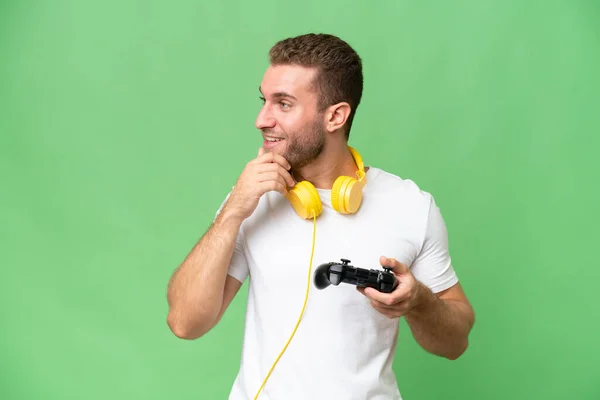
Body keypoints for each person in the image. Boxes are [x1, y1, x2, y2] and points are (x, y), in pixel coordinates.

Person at [166, 33, 475, 400]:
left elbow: (455, 342)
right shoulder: (252, 197)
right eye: (264, 100)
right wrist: (233, 211)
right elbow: (185, 322)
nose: (261, 119)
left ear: (335, 116)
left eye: (283, 104)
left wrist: (419, 301)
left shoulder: (409, 205)